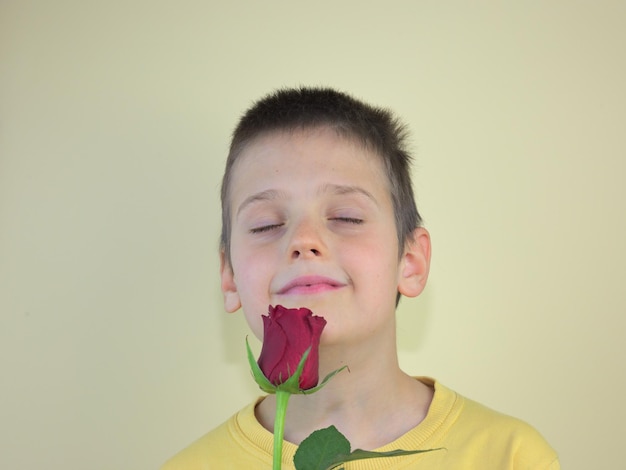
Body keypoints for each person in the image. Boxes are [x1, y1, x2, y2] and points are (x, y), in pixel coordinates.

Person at [162, 87, 559, 469]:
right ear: (229, 276)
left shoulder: (512, 458)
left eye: (346, 218)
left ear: (411, 262)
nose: (304, 241)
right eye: (266, 225)